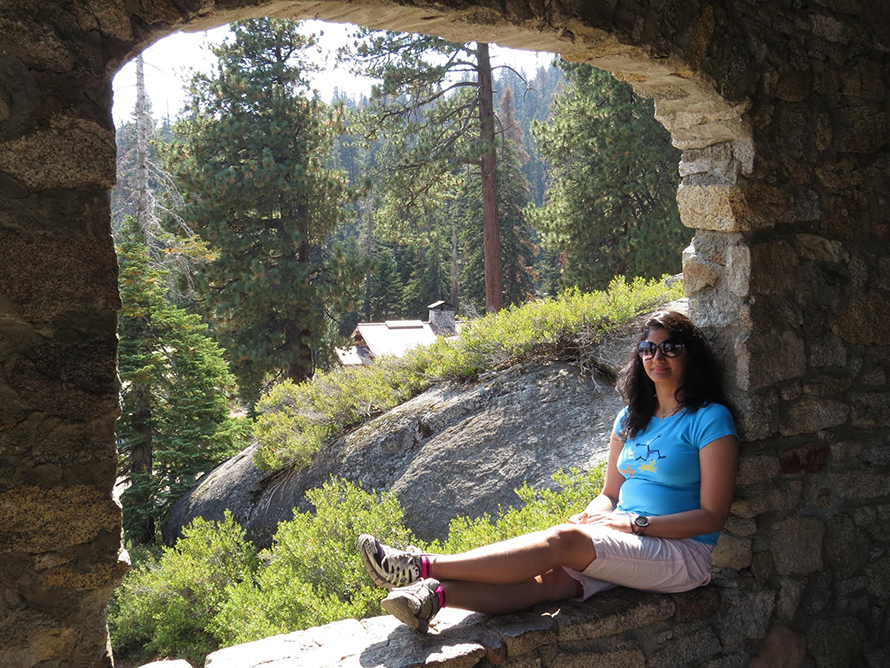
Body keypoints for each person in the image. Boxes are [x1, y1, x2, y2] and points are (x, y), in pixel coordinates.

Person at [358, 310, 739, 631]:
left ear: (691, 356)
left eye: (671, 347)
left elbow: (712, 516)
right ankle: (433, 596)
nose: (658, 356)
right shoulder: (630, 419)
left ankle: (421, 565)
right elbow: (610, 493)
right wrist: (597, 514)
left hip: (681, 555)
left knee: (563, 541)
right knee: (550, 582)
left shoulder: (708, 419)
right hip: (628, 536)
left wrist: (634, 524)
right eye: (648, 348)